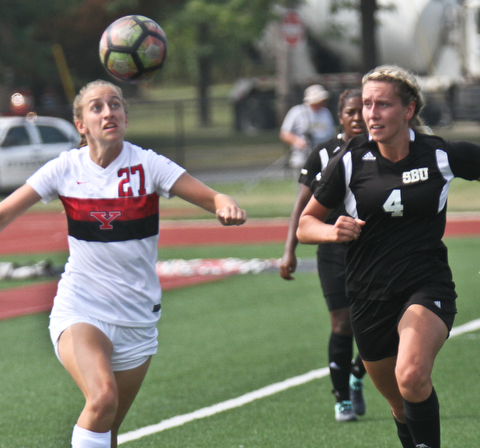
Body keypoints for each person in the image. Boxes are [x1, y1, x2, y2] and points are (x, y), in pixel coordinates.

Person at [0, 80, 247, 448]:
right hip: (81, 307)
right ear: (81, 124)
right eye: (96, 107)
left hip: (137, 316)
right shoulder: (65, 168)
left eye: (114, 105)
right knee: (102, 398)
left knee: (107, 428)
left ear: (126, 117)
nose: (108, 112)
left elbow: (213, 196)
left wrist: (225, 205)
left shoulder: (148, 165)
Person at [297, 64, 480, 448]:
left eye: (383, 104)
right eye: (366, 104)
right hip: (368, 294)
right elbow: (305, 224)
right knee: (399, 403)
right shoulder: (348, 160)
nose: (371, 114)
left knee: (412, 375)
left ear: (409, 110)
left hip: (426, 285)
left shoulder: (439, 155)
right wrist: (332, 231)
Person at [280, 89, 368, 422]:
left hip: (372, 249)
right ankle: (342, 397)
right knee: (343, 324)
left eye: (363, 110)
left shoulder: (383, 149)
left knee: (384, 326)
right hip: (332, 249)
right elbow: (301, 207)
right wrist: (289, 250)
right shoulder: (324, 152)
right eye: (351, 112)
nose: (358, 117)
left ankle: (358, 373)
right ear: (340, 117)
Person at [280, 84, 335, 172]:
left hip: (324, 156)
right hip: (302, 157)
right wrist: (297, 141)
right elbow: (284, 133)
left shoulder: (325, 113)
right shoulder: (297, 112)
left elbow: (331, 133)